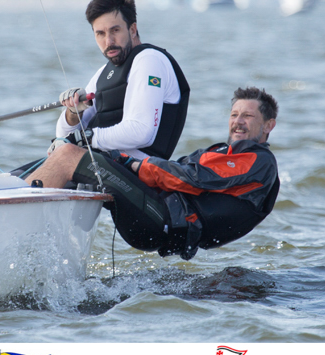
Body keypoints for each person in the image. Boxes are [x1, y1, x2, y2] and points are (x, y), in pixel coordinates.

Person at [24, 0, 190, 189]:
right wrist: (73, 112)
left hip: (138, 174)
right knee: (23, 172)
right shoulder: (104, 72)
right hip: (102, 165)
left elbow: (142, 131)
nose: (108, 41)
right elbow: (64, 135)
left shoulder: (149, 60)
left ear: (133, 29)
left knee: (66, 155)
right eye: (100, 34)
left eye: (115, 31)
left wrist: (84, 139)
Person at [102, 86, 281, 260]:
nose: (238, 121)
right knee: (102, 161)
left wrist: (135, 164)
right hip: (158, 214)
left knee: (91, 160)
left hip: (159, 222)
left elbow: (191, 179)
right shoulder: (220, 152)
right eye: (234, 115)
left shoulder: (260, 162)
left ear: (268, 125)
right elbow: (176, 170)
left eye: (248, 116)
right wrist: (128, 165)